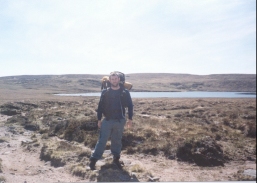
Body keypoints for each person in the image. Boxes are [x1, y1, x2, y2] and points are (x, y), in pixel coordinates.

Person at [89, 72, 133, 170]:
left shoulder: (125, 92)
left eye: (116, 79)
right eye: (112, 79)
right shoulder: (105, 92)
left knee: (117, 140)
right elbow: (100, 107)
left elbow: (130, 106)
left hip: (120, 120)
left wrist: (130, 119)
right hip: (107, 120)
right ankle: (93, 160)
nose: (114, 80)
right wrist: (99, 119)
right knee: (102, 140)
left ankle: (116, 159)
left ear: (119, 79)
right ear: (109, 80)